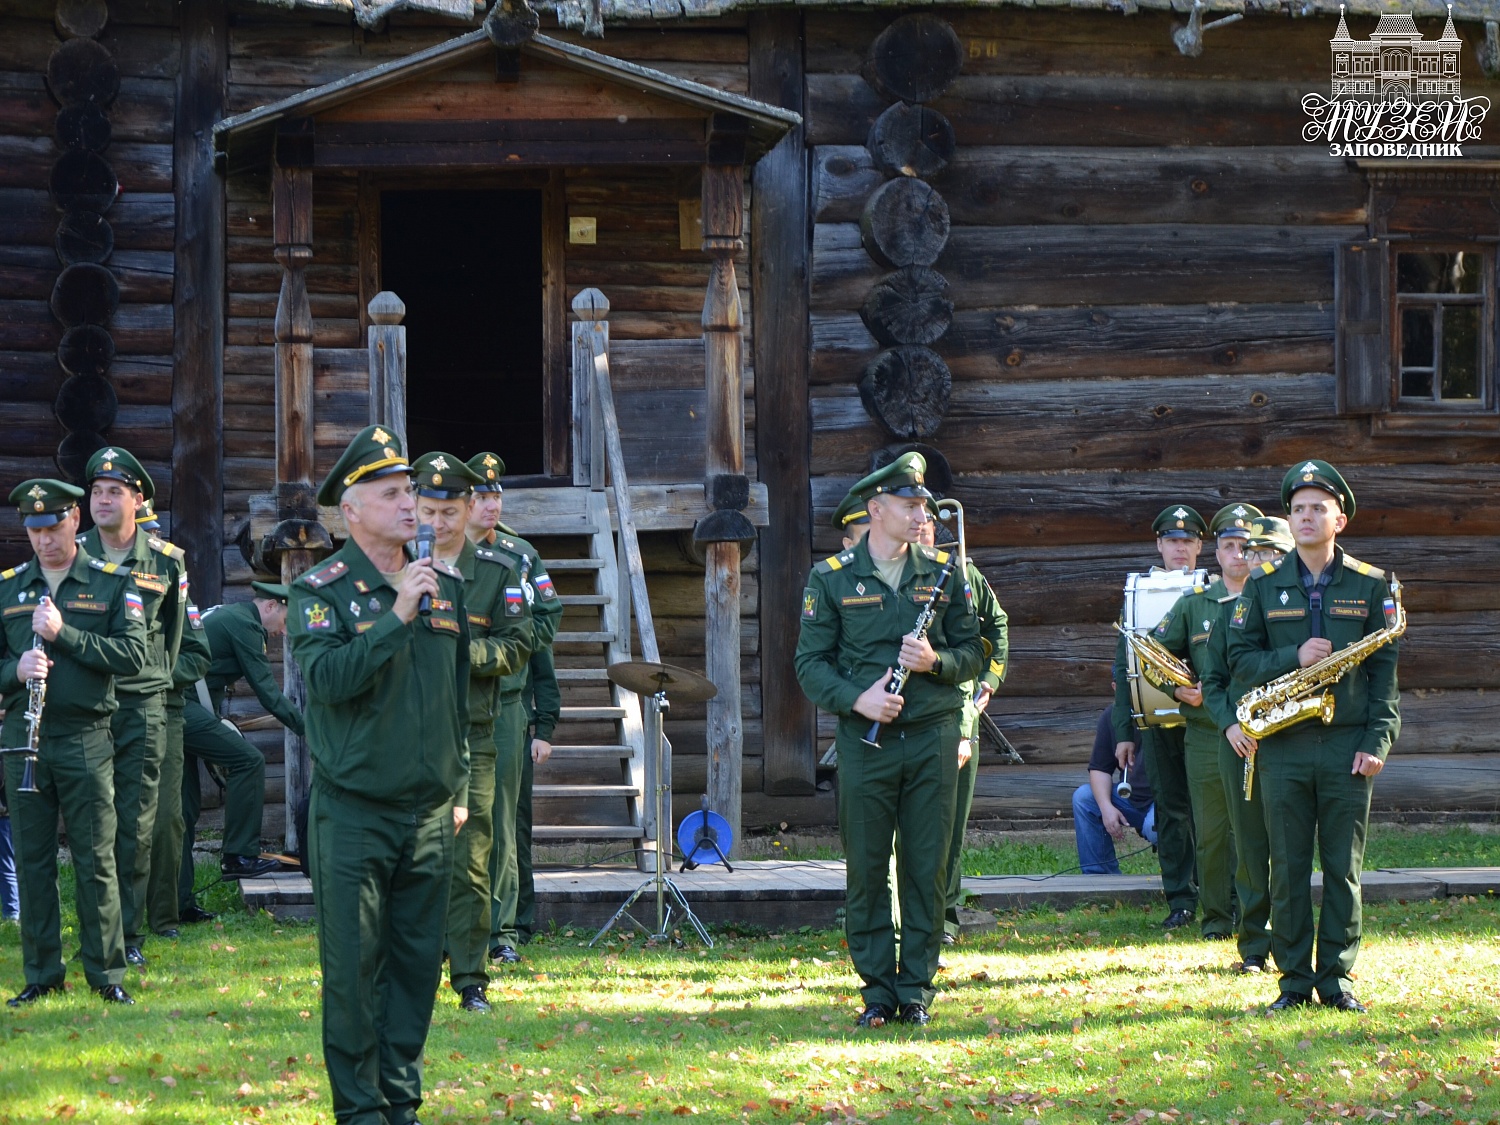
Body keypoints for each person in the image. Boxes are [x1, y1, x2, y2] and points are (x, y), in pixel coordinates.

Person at [289, 425, 473, 1125]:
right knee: (353, 969)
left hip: (430, 816)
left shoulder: (443, 585)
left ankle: (401, 1101)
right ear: (351, 510)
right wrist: (396, 614)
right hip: (356, 814)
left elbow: (456, 699)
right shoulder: (320, 591)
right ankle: (359, 1109)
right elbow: (328, 682)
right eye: (392, 494)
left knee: (418, 967)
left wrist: (458, 786)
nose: (410, 505)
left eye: (410, 492)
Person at [795, 452, 983, 1029]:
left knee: (926, 867)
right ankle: (877, 990)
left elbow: (974, 654)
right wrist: (859, 700)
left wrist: (934, 662)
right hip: (865, 741)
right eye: (910, 505)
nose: (922, 514)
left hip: (932, 736)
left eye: (923, 505)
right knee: (868, 866)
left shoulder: (947, 571)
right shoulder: (830, 578)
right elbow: (809, 665)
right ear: (876, 510)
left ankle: (916, 989)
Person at [1227, 461, 1400, 1013]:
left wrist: (1377, 742)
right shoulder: (1262, 585)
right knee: (1288, 869)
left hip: (1348, 747)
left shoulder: (1371, 585)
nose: (1306, 517)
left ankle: (1337, 980)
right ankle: (1295, 982)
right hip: (1284, 746)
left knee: (1343, 870)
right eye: (1298, 509)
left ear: (1339, 520)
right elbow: (1239, 660)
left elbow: (1385, 678)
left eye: (1318, 509)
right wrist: (1292, 657)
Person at [2, 479, 147, 1006]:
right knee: (33, 861)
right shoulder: (9, 588)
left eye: (53, 527)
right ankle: (41, 972)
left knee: (95, 859)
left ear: (75, 521)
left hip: (85, 737)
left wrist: (65, 635)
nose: (44, 540)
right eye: (34, 530)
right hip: (24, 741)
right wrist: (15, 670)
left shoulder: (112, 582)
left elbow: (134, 656)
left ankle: (106, 974)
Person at [412, 452, 534, 1014]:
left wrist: (464, 654)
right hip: (408, 735)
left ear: (467, 510)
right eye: (428, 511)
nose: (438, 523)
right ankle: (412, 967)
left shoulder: (499, 571)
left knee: (471, 860)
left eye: (448, 512)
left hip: (472, 737)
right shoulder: (394, 567)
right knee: (410, 858)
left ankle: (469, 979)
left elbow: (519, 643)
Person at [76, 446, 186, 969]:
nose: (103, 500)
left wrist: (153, 682)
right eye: (96, 491)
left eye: (114, 491)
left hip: (142, 704)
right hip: (84, 703)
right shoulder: (73, 552)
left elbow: (174, 638)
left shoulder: (167, 560)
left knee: (137, 823)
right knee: (90, 820)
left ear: (136, 499)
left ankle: (127, 932)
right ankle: (93, 926)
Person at [464, 451, 563, 966]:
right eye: (482, 496)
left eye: (497, 495)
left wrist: (513, 647)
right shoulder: (438, 552)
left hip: (504, 701)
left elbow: (547, 617)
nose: (492, 504)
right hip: (447, 702)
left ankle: (502, 930)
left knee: (503, 822)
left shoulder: (520, 555)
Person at [1150, 502, 1263, 940]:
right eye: (1229, 546)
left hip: (1265, 732)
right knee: (1213, 832)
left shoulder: (1273, 600)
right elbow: (1152, 654)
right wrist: (1176, 688)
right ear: (1216, 553)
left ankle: (1258, 912)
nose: (1238, 555)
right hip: (1206, 734)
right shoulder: (1195, 604)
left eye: (1246, 547)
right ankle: (1216, 918)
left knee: (1259, 830)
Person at [1202, 515, 1293, 973]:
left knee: (1290, 845)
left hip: (1292, 738)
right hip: (1242, 744)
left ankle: (1292, 942)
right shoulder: (1228, 612)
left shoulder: (1297, 613)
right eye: (1253, 552)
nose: (1258, 561)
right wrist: (1229, 726)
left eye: (1271, 553)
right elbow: (1212, 681)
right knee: (1252, 846)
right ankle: (1255, 946)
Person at [916, 507, 1009, 947]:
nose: (920, 529)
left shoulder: (963, 574)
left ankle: (945, 917)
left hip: (959, 710)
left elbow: (997, 626)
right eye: (913, 520)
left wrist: (989, 680)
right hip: (903, 712)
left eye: (928, 524)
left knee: (949, 822)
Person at [1112, 504, 1206, 930]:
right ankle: (1181, 900)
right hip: (1158, 721)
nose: (1180, 548)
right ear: (1158, 545)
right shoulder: (1139, 594)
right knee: (1171, 810)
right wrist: (1124, 732)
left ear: (1199, 546)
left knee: (1213, 810)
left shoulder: (1212, 589)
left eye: (1187, 541)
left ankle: (1221, 895)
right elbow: (1124, 670)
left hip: (1205, 721)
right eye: (1172, 540)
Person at [181, 581, 303, 888]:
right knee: (248, 761)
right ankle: (238, 856)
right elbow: (269, 695)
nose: (283, 632)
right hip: (183, 706)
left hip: (182, 706)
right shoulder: (246, 626)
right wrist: (311, 730)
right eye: (285, 621)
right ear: (271, 606)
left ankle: (181, 902)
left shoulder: (230, 613)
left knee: (184, 807)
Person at [148, 588, 212, 937]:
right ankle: (113, 920)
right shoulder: (97, 585)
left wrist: (157, 676)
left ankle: (164, 915)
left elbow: (198, 656)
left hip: (165, 708)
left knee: (168, 818)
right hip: (107, 710)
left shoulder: (177, 597)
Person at [1072, 705, 1157, 873]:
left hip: (1167, 800)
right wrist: (1106, 808)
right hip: (1132, 798)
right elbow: (1100, 769)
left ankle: (1181, 877)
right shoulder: (1112, 715)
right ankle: (1099, 879)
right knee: (1083, 798)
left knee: (1153, 827)